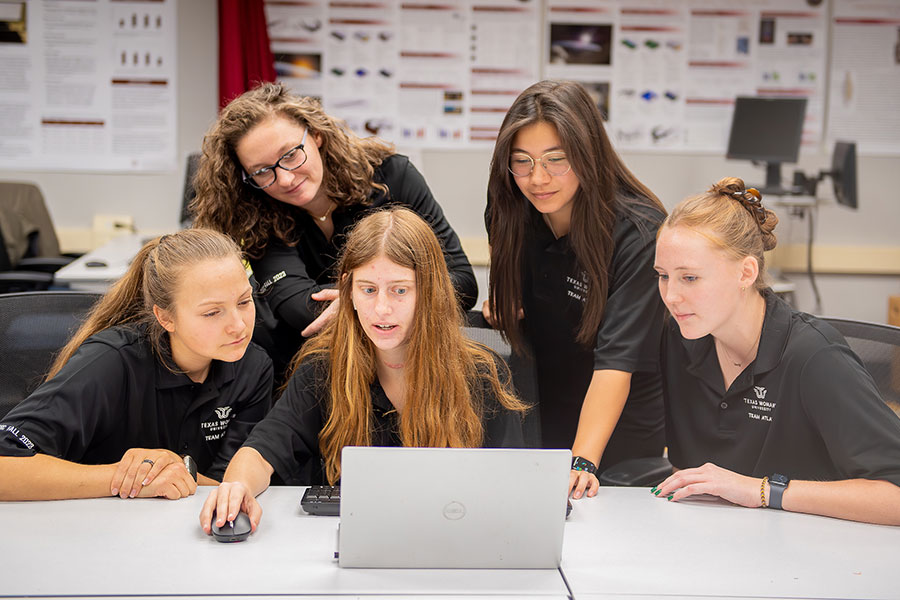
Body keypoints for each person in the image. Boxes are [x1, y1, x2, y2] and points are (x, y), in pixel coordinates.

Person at [199, 208, 527, 533]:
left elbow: (512, 484)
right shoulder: (322, 367)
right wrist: (237, 485)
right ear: (348, 291)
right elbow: (262, 450)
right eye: (368, 289)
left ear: (431, 291)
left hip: (453, 539)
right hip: (350, 544)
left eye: (400, 290)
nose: (381, 308)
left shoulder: (482, 373)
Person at [652, 178, 900, 526]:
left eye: (689, 278)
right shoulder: (680, 338)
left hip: (810, 556)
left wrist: (762, 491)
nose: (671, 296)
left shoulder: (815, 357)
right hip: (715, 546)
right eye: (663, 276)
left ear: (746, 272)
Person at [191, 82, 477, 375]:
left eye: (290, 154)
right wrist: (393, 294)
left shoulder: (392, 177)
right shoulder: (257, 215)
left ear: (315, 135)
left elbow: (463, 283)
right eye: (263, 171)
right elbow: (300, 310)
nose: (286, 179)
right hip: (303, 368)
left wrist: (359, 298)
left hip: (404, 360)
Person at [483, 79, 667, 498]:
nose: (538, 178)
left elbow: (616, 363)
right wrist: (508, 299)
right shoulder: (510, 206)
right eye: (522, 161)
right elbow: (522, 287)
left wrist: (583, 461)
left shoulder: (638, 233)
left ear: (587, 155)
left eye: (556, 159)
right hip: (543, 400)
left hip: (618, 428)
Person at [0, 229, 274, 501]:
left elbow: (228, 485)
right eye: (212, 312)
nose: (238, 325)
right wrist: (128, 477)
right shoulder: (111, 361)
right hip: (94, 526)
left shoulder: (253, 366)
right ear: (165, 318)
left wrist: (176, 468)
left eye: (244, 301)